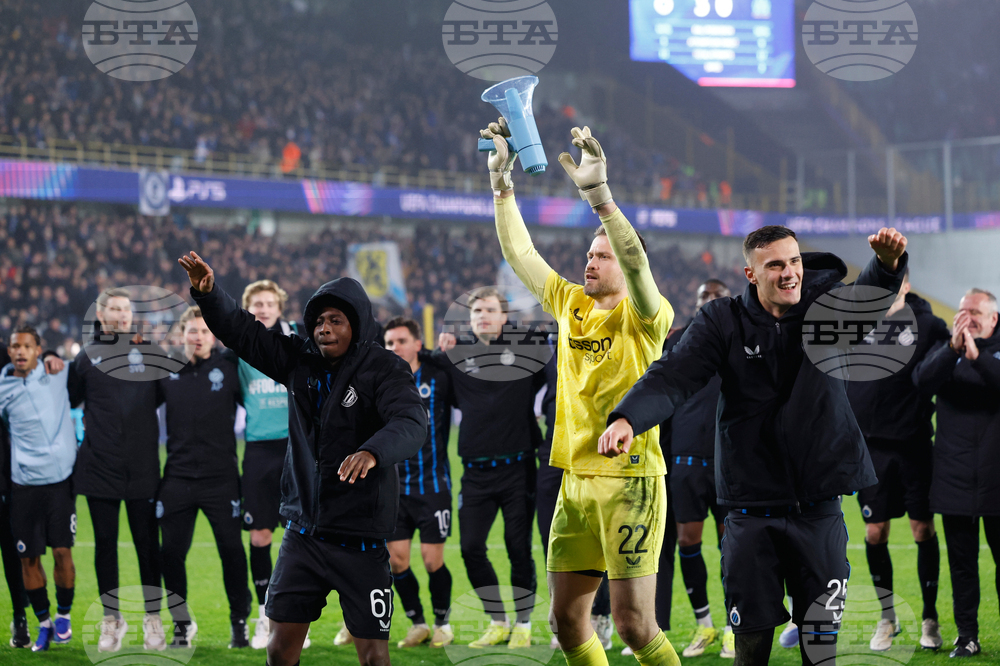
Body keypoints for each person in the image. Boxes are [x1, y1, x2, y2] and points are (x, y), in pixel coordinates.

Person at [602, 225, 908, 666]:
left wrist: (886, 266)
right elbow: (675, 373)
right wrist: (629, 415)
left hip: (817, 508)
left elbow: (864, 304)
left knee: (820, 645)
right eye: (776, 265)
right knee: (751, 644)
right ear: (751, 273)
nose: (790, 274)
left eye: (795, 261)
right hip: (748, 509)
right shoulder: (721, 320)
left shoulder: (824, 313)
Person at [484, 118, 679, 666]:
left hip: (632, 480)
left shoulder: (647, 314)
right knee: (567, 620)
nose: (590, 261)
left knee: (634, 625)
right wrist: (502, 189)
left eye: (602, 256)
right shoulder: (569, 302)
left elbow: (637, 262)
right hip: (575, 478)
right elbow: (521, 256)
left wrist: (602, 202)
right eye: (589, 255)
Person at [179, 251, 426, 666]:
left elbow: (410, 422)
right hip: (304, 535)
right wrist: (209, 295)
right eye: (318, 321)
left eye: (335, 320)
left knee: (374, 658)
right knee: (278, 651)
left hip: (361, 540)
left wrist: (372, 451)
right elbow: (244, 333)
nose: (323, 328)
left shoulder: (385, 368)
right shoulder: (298, 360)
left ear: (357, 324)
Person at [430, 286, 544, 649]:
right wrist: (439, 348)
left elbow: (548, 357)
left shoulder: (526, 351)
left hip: (518, 470)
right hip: (475, 473)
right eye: (476, 311)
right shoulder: (456, 356)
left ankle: (523, 625)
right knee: (470, 548)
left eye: (490, 310)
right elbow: (429, 371)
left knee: (517, 548)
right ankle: (498, 620)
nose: (482, 316)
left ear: (504, 316)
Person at [845, 269, 949, 651]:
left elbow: (947, 369)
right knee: (875, 533)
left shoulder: (930, 325)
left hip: (914, 445)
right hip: (870, 450)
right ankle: (887, 618)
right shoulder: (855, 325)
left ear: (906, 284)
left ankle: (930, 618)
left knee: (923, 529)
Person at [69, 288, 167, 652]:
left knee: (147, 547)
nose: (122, 315)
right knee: (105, 547)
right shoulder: (85, 358)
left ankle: (152, 618)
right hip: (99, 468)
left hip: (142, 468)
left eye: (127, 309)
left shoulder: (151, 353)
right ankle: (112, 620)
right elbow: (72, 398)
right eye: (114, 309)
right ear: (101, 315)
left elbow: (158, 398)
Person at [912, 287, 1000, 658]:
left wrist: (977, 357)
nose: (966, 317)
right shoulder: (946, 351)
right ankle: (967, 636)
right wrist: (953, 349)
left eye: (975, 312)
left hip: (998, 479)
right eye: (962, 311)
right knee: (962, 566)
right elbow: (921, 381)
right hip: (954, 477)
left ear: (993, 318)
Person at [156, 306, 251, 649]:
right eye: (192, 331)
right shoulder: (166, 371)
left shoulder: (229, 367)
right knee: (171, 555)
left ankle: (239, 620)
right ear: (182, 335)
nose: (198, 337)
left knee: (231, 551)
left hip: (221, 479)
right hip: (178, 478)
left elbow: (254, 404)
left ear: (214, 336)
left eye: (205, 332)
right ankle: (181, 623)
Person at [235, 280, 304, 650]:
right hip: (259, 451)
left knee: (300, 537)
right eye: (256, 304)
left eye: (268, 303)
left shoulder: (295, 340)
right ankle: (264, 616)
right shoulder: (240, 346)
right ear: (248, 308)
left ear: (279, 307)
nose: (262, 308)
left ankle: (293, 621)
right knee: (260, 537)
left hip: (295, 448)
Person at [665, 280, 732, 659]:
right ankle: (704, 626)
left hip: (728, 461)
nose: (709, 301)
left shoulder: (741, 339)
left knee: (732, 548)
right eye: (704, 296)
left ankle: (732, 627)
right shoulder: (677, 341)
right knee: (688, 541)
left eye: (717, 296)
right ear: (695, 303)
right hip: (685, 460)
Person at [0, 326, 78, 652]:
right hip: (24, 486)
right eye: (15, 346)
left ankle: (63, 615)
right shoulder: (2, 388)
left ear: (38, 349)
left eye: (27, 346)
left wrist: (55, 357)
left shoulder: (57, 374)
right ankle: (43, 623)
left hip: (60, 482)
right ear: (9, 351)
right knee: (28, 560)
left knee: (62, 552)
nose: (20, 351)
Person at [383, 317, 455, 649]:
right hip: (395, 487)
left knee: (431, 560)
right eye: (388, 343)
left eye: (400, 341)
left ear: (416, 344)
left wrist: (448, 353)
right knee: (396, 560)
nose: (394, 348)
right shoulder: (381, 380)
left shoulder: (438, 377)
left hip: (433, 485)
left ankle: (443, 623)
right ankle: (418, 623)